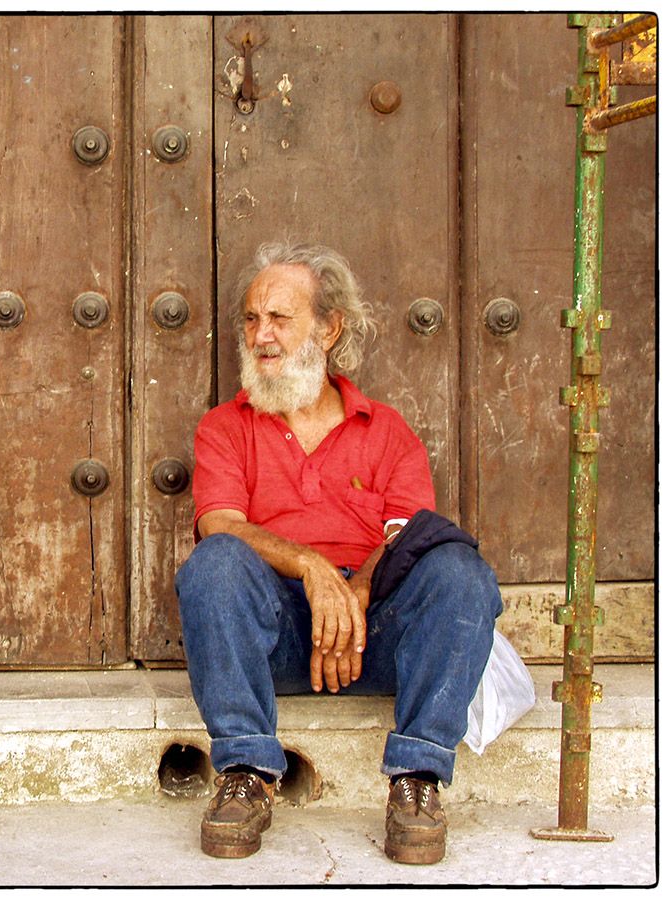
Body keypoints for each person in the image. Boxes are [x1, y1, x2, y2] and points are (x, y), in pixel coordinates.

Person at [175, 242, 502, 865]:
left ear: (329, 328)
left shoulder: (386, 430)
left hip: (374, 638)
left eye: (279, 318)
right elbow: (220, 523)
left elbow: (405, 536)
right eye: (251, 319)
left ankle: (418, 780)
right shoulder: (225, 426)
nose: (260, 335)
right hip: (276, 639)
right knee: (214, 563)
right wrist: (311, 566)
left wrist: (354, 591)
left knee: (461, 573)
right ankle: (245, 770)